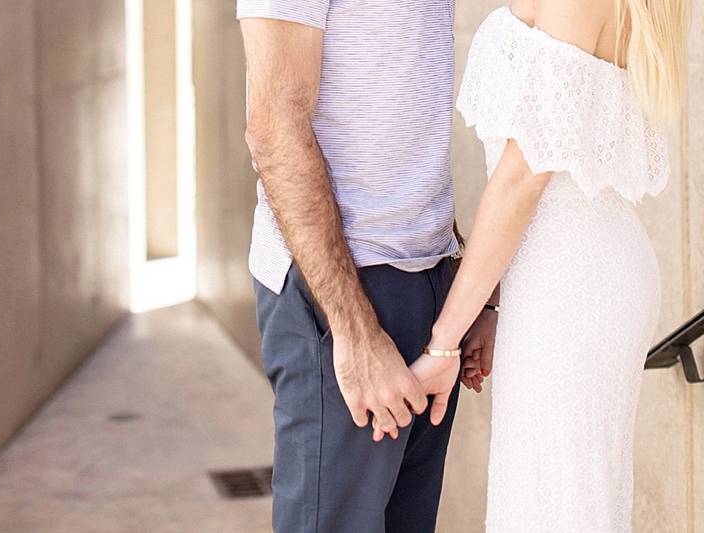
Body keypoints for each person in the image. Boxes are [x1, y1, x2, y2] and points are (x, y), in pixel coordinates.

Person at [373, 0, 689, 531]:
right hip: (559, 274)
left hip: (574, 284)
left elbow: (523, 177)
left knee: (561, 505)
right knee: (558, 498)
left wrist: (443, 342)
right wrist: (492, 299)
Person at [237, 1, 497, 532]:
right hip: (342, 291)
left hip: (429, 283)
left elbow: (404, 122)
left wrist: (468, 284)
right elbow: (273, 124)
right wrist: (353, 329)